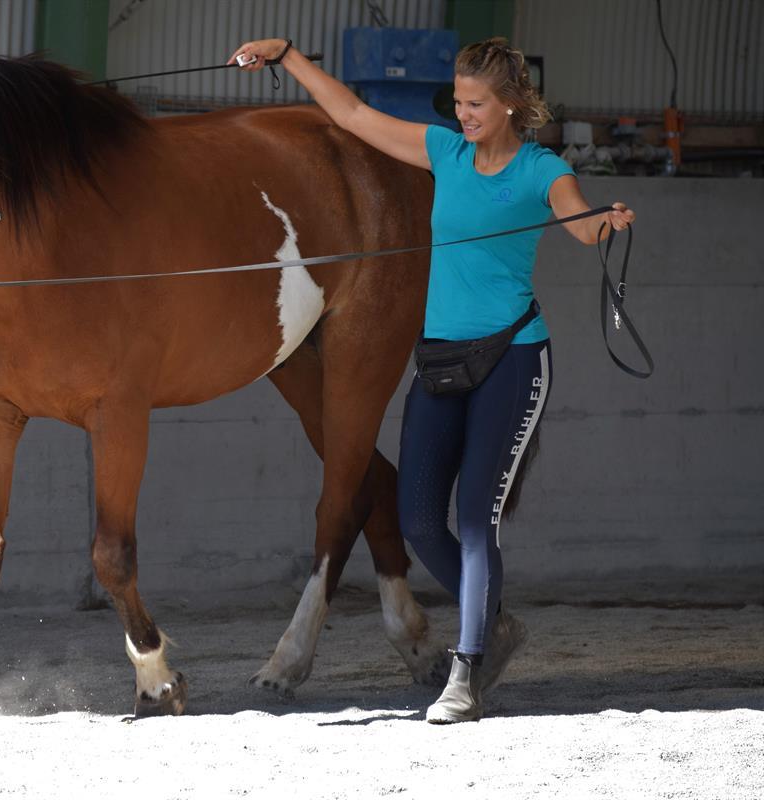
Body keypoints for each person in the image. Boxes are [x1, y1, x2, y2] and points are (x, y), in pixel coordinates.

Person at [230, 36, 635, 723]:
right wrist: (291, 58)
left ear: (510, 104)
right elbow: (354, 116)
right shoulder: (445, 154)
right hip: (444, 362)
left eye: (476, 103)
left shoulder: (541, 170)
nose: (464, 112)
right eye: (458, 100)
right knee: (419, 519)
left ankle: (467, 671)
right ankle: (494, 623)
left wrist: (604, 223)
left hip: (511, 360)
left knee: (475, 520)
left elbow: (577, 217)